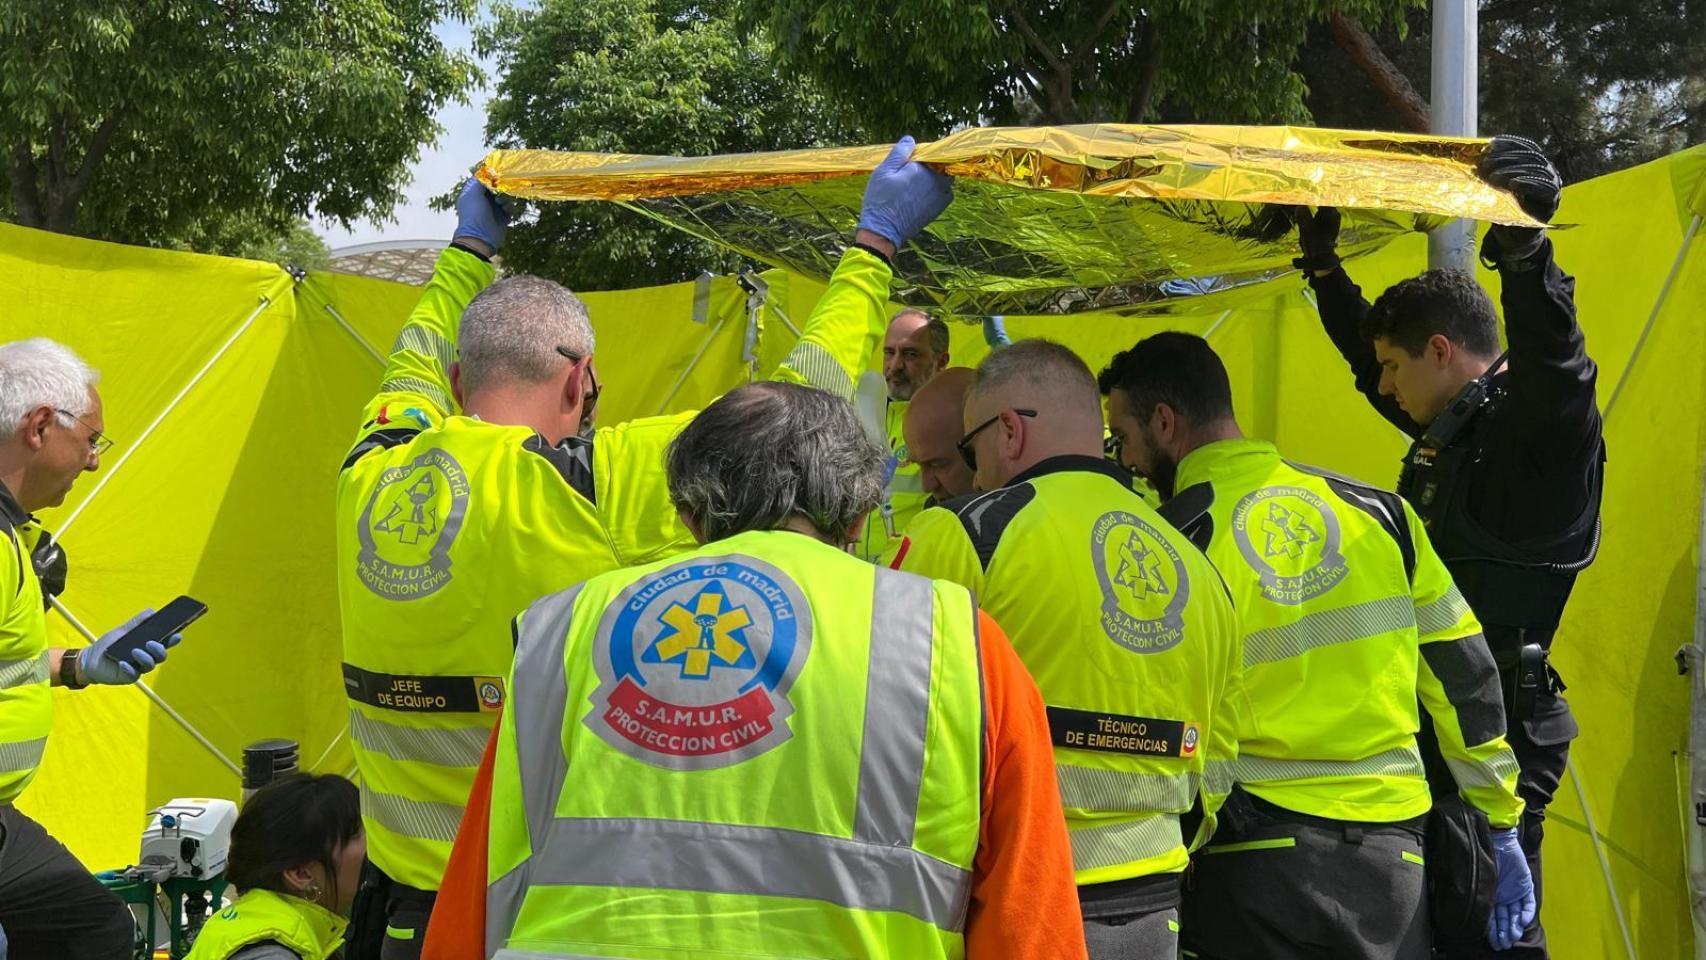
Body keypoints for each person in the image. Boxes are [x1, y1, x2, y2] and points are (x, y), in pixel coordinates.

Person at [336, 138, 953, 958]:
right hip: (530, 916)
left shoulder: (369, 470)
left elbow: (412, 355)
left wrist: (469, 249)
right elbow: (799, 402)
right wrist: (873, 246)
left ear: (455, 384)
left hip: (401, 917)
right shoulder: (589, 484)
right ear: (578, 379)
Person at [422, 381, 1087, 959]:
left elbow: (473, 901)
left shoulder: (557, 630)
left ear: (687, 515)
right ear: (858, 520)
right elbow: (1032, 926)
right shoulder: (956, 640)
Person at [1100, 332, 1533, 958]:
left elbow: (1158, 715)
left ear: (1165, 422)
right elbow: (1464, 677)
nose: (1129, 461)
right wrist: (1499, 818)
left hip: (1255, 861)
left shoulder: (1170, 544)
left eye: (1126, 437)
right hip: (1394, 862)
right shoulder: (1382, 514)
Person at [1295, 135, 1599, 957]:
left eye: (1397, 367)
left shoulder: (1538, 439)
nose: (1384, 386)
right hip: (1450, 716)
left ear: (1441, 352)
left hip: (1503, 725)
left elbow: (1559, 367)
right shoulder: (1457, 424)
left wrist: (1525, 248)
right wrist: (1324, 271)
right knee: (1446, 921)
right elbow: (1370, 360)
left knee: (1488, 926)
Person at [886, 340, 1244, 958]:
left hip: (1017, 901)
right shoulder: (1195, 563)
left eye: (969, 451)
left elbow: (891, 717)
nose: (970, 473)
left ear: (1007, 431)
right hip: (1154, 903)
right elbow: (1218, 756)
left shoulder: (965, 533)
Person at [0, 337, 182, 959]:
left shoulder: (12, 534)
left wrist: (80, 665)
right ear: (41, 425)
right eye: (93, 440)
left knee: (90, 931)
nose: (94, 462)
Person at [185, 773, 365, 960]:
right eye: (354, 833)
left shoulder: (271, 924)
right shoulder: (271, 954)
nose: (372, 842)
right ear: (301, 873)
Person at [853, 308, 949, 560]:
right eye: (889, 352)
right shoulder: (864, 412)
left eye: (910, 354)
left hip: (914, 577)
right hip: (857, 576)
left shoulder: (952, 425)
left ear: (941, 361)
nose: (894, 365)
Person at [898, 366, 977, 505]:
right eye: (918, 465)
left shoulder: (1023, 520)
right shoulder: (935, 511)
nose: (927, 486)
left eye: (938, 465)